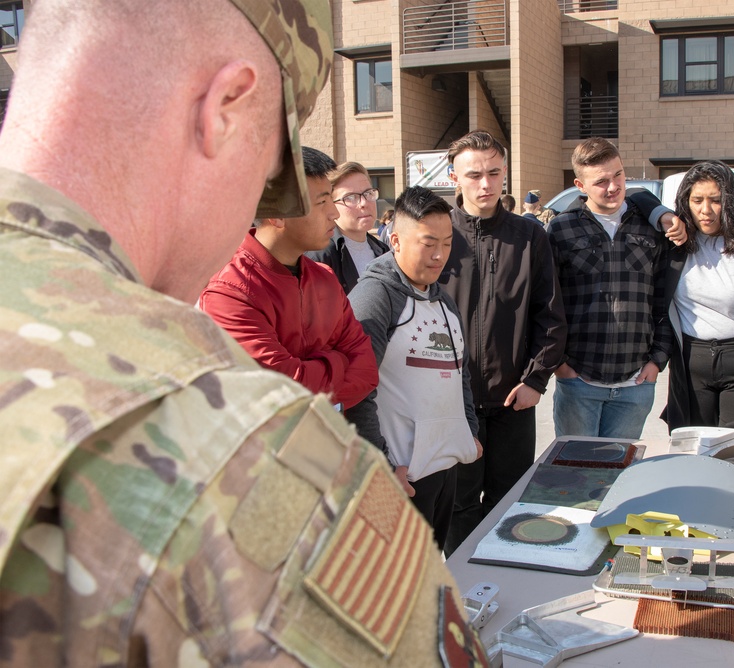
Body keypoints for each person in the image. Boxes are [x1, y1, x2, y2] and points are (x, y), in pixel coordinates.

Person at [0, 1, 486, 665]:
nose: (265, 207)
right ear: (225, 106)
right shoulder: (243, 441)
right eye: (270, 172)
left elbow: (352, 365)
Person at [437, 130, 568, 556]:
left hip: (514, 400)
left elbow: (550, 316)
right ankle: (459, 590)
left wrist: (536, 380)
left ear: (506, 173)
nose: (485, 184)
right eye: (474, 174)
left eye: (494, 173)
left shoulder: (530, 237)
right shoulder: (437, 236)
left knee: (510, 504)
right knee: (457, 507)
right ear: (454, 177)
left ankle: (502, 585)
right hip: (451, 405)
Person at [346, 186, 482, 549]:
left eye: (447, 243)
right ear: (396, 241)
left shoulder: (442, 300)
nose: (440, 256)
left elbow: (459, 373)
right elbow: (356, 390)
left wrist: (468, 427)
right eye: (428, 243)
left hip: (443, 467)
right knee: (395, 587)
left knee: (429, 572)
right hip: (401, 477)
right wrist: (382, 465)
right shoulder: (375, 297)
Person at [201, 147, 378, 411]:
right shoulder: (229, 291)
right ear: (277, 215)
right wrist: (337, 361)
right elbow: (280, 389)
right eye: (321, 203)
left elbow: (366, 370)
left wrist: (313, 381)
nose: (334, 213)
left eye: (331, 199)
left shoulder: (324, 279)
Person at [547, 137, 672, 440]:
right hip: (579, 381)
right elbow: (548, 302)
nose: (613, 186)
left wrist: (658, 360)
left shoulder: (650, 226)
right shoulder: (561, 229)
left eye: (618, 175)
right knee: (574, 477)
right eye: (601, 181)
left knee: (618, 478)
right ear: (580, 184)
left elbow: (665, 298)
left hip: (636, 384)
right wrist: (560, 365)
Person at [658, 160, 734, 432]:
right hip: (690, 364)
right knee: (694, 453)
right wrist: (662, 215)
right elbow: (635, 197)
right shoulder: (674, 244)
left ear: (731, 202)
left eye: (715, 200)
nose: (705, 210)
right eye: (697, 200)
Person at [306, 161, 390, 294]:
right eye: (350, 198)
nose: (364, 203)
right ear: (331, 205)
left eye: (368, 193)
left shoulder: (384, 250)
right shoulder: (319, 257)